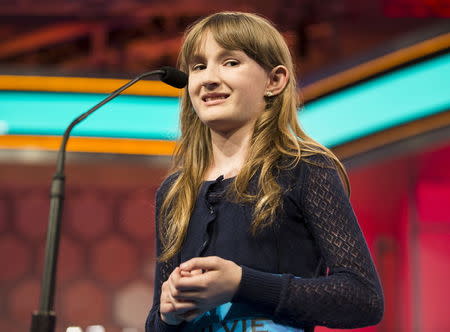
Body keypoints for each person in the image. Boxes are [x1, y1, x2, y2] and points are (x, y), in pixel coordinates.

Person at [146, 11, 384, 332]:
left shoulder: (304, 169)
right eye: (198, 66)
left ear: (274, 81)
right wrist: (167, 316)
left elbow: (362, 298)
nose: (209, 78)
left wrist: (241, 283)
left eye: (230, 62)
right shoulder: (175, 191)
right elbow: (156, 321)